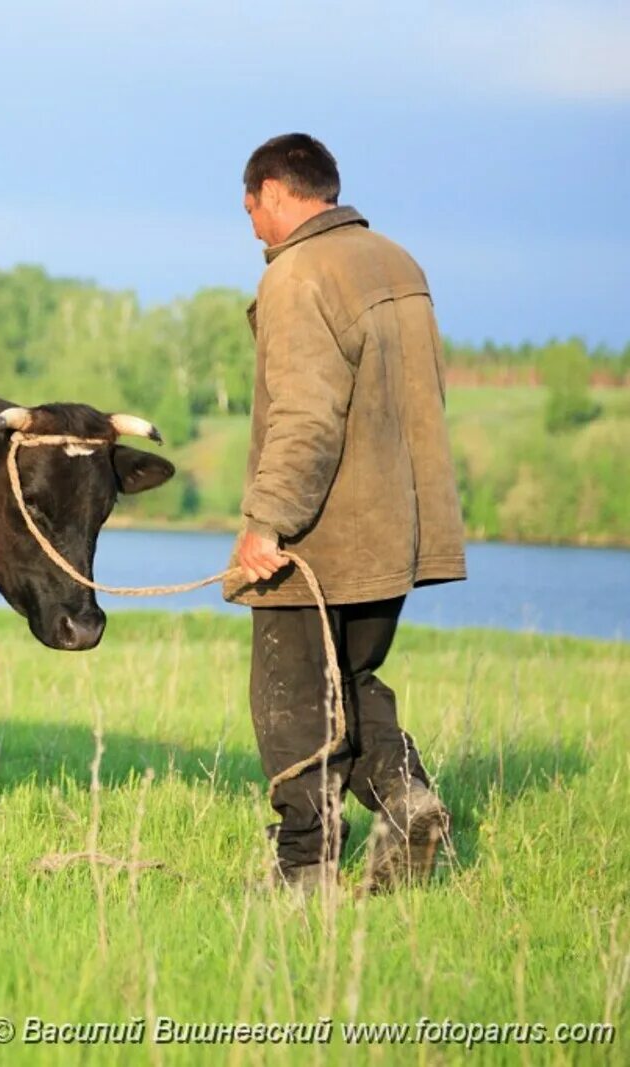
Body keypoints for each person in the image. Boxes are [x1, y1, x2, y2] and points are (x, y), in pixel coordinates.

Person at [225, 133, 465, 892]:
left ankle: (303, 870)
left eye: (251, 206)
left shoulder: (298, 274)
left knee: (291, 695)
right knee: (351, 679)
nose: (251, 224)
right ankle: (407, 800)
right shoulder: (397, 262)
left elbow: (307, 415)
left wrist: (266, 521)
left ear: (276, 191)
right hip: (397, 527)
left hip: (320, 538)